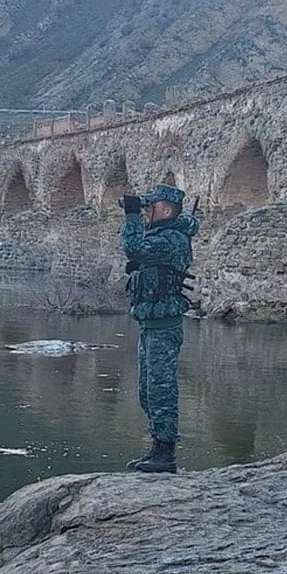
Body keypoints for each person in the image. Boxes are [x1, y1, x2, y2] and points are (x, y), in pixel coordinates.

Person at [119, 184, 200, 473]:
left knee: (161, 390)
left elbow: (133, 247)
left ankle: (166, 454)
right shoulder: (163, 236)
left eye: (150, 207)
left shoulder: (172, 239)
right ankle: (156, 448)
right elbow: (142, 256)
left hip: (164, 326)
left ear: (165, 209)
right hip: (151, 324)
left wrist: (131, 216)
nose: (145, 212)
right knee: (147, 391)